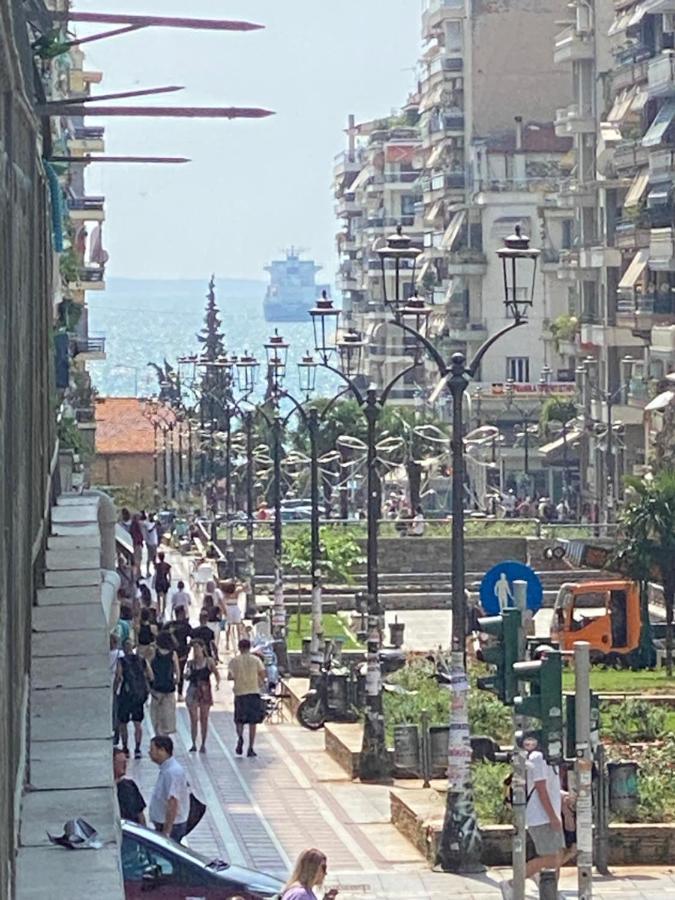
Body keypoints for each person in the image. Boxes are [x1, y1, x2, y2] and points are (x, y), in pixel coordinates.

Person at [500, 732, 564, 899]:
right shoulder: (538, 757)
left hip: (552, 813)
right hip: (541, 816)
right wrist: (552, 816)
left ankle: (551, 892)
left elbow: (551, 787)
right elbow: (541, 789)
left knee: (558, 856)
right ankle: (513, 883)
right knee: (550, 858)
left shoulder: (551, 759)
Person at [228, 638, 266, 758]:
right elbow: (263, 674)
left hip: (239, 693)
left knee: (239, 720)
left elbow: (230, 676)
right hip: (253, 692)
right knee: (252, 722)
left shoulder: (234, 661)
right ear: (249, 647)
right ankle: (250, 747)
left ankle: (240, 737)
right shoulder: (256, 660)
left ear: (239, 648)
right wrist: (259, 682)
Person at [148, 735, 190, 843]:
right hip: (164, 824)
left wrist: (167, 831)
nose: (149, 752)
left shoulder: (172, 772)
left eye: (152, 749)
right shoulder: (166, 770)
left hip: (171, 827)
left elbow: (173, 802)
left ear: (162, 750)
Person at [117, 640, 151, 759]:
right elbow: (150, 675)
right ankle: (137, 748)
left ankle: (125, 748)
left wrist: (115, 691)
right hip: (138, 695)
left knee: (123, 723)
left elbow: (119, 677)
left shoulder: (121, 661)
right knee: (138, 724)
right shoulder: (141, 660)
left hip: (126, 695)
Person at [185, 639, 220, 752]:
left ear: (202, 649)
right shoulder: (190, 663)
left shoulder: (209, 661)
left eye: (197, 648)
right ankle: (194, 742)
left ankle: (203, 743)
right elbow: (186, 676)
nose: (195, 651)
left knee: (204, 718)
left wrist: (217, 683)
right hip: (193, 690)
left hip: (205, 690)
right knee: (193, 719)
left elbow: (216, 673)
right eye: (194, 649)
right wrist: (186, 675)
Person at [149, 630, 180, 736]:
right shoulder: (173, 654)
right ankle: (164, 739)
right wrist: (175, 681)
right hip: (168, 689)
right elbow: (177, 674)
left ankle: (158, 737)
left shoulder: (153, 652)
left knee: (156, 717)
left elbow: (147, 667)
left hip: (156, 689)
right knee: (167, 719)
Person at [113, 748, 146, 824]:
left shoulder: (130, 785)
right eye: (121, 763)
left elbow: (140, 813)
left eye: (125, 762)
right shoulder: (110, 791)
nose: (125, 766)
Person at [166, 606, 192, 697]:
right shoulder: (186, 626)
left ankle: (175, 691)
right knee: (179, 671)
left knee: (171, 671)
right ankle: (179, 692)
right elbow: (192, 638)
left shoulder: (169, 625)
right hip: (180, 652)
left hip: (173, 652)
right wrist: (188, 648)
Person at [222, 580, 244, 652]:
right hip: (235, 608)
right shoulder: (236, 592)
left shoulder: (225, 593)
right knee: (238, 626)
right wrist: (239, 584)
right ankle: (239, 641)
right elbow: (244, 587)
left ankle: (227, 643)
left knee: (229, 626)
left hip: (229, 608)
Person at [153, 552, 172, 620]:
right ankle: (163, 611)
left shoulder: (157, 566)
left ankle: (158, 612)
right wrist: (169, 582)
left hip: (158, 582)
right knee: (164, 598)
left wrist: (153, 582)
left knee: (158, 597)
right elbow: (169, 575)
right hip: (164, 582)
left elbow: (155, 574)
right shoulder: (167, 565)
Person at [141, 511, 159, 577]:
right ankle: (148, 571)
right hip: (150, 543)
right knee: (150, 558)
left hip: (154, 542)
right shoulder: (147, 524)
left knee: (154, 557)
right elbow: (149, 530)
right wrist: (154, 525)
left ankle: (155, 571)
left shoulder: (153, 523)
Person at [130, 513, 145, 578]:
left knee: (138, 559)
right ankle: (137, 574)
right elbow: (138, 534)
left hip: (137, 543)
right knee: (137, 559)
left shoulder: (133, 525)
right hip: (137, 544)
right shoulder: (135, 525)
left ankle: (138, 573)